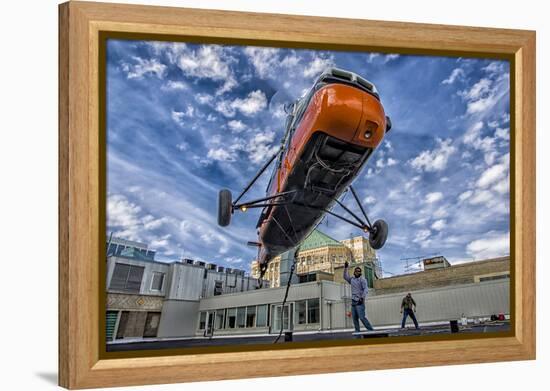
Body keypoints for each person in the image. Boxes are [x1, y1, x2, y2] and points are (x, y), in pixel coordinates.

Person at [343, 261, 374, 335]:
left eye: (359, 271)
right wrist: (346, 268)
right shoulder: (352, 279)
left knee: (362, 317)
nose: (357, 272)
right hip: (353, 301)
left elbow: (366, 289)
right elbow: (345, 276)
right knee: (354, 318)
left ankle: (371, 330)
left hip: (359, 301)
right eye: (356, 271)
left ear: (360, 273)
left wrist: (362, 298)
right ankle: (357, 331)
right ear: (354, 272)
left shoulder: (362, 280)